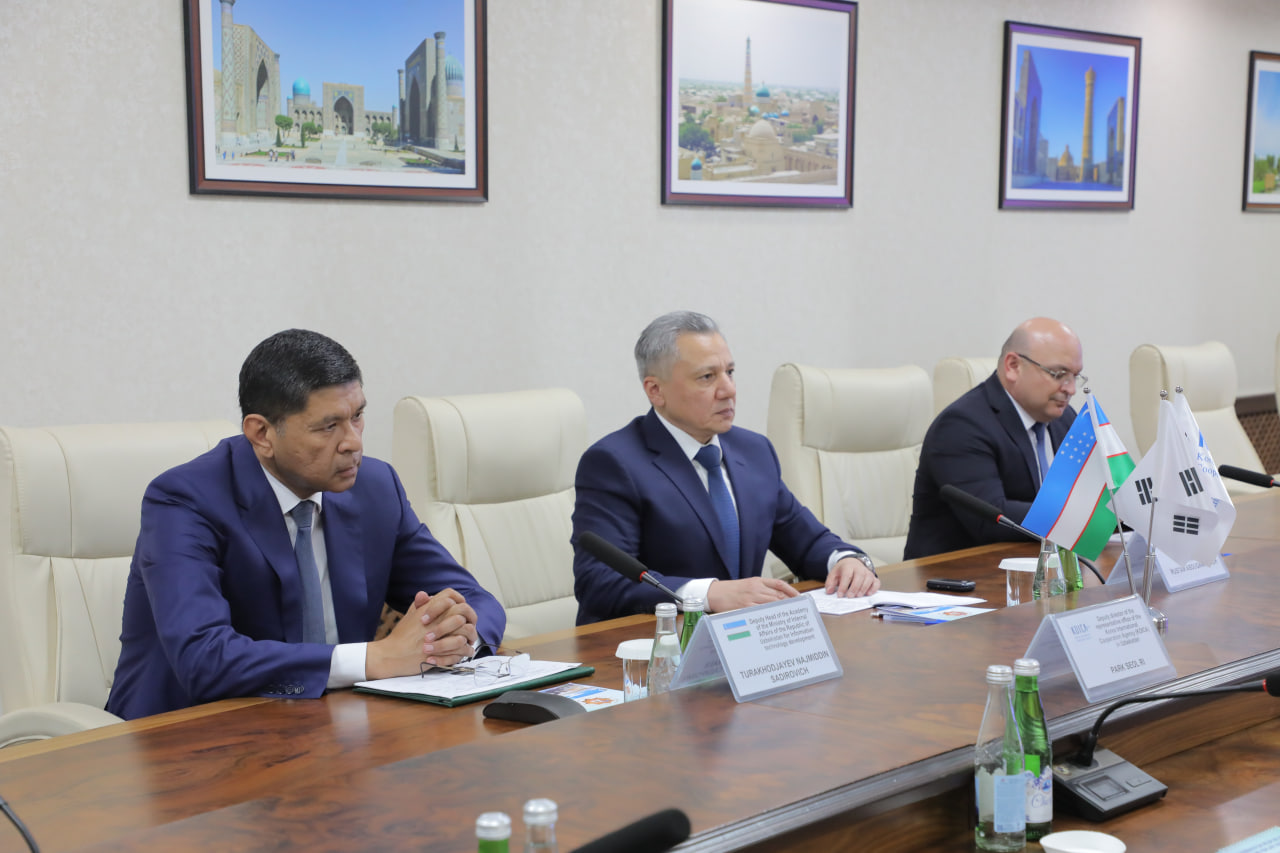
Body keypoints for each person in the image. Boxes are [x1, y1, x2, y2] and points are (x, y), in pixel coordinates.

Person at [107, 329, 505, 719]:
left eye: (358, 416)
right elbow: (204, 659)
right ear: (262, 433)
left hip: (338, 725)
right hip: (192, 733)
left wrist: (454, 640)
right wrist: (376, 658)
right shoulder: (184, 500)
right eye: (328, 426)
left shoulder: (375, 487)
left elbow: (475, 600)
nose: (353, 442)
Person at [571, 311, 880, 625]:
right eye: (707, 377)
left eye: (729, 372)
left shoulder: (754, 451)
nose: (728, 389)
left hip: (742, 639)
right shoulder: (614, 463)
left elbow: (807, 541)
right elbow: (600, 582)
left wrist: (845, 560)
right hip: (648, 643)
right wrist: (709, 594)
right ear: (655, 390)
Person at [903, 317, 1083, 559]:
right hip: (957, 574)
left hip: (1039, 567)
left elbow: (1092, 493)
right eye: (1059, 374)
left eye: (1075, 376)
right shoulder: (961, 425)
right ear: (1013, 366)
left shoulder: (1064, 418)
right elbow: (991, 518)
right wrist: (1081, 517)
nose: (1070, 389)